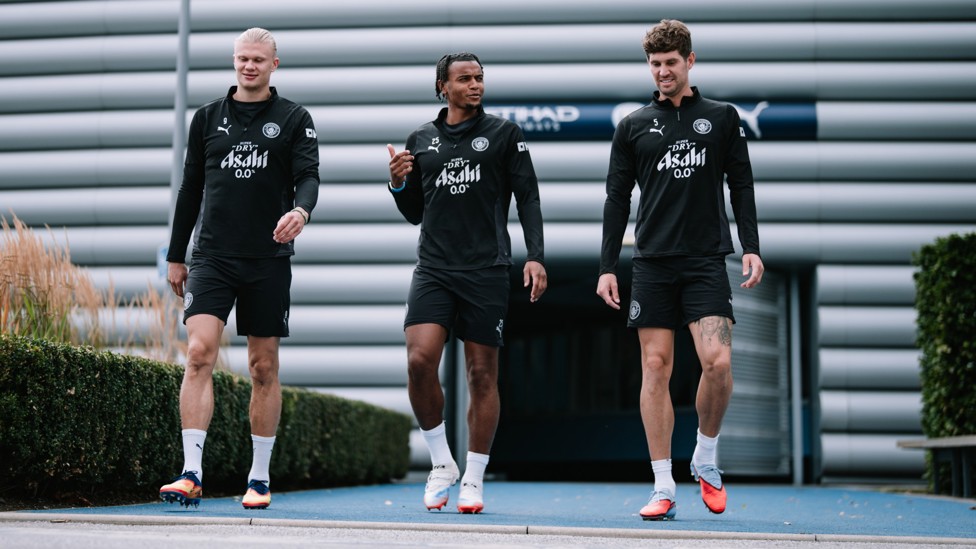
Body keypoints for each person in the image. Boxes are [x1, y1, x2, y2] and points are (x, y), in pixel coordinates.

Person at [596, 19, 764, 521]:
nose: (663, 71)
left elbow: (742, 185)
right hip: (651, 264)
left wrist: (750, 246)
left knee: (718, 363)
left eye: (671, 62)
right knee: (655, 368)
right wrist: (608, 266)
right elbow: (615, 199)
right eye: (655, 64)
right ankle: (663, 483)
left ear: (690, 61)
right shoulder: (632, 126)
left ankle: (706, 460)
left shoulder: (722, 117)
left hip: (706, 260)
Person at [159, 27, 319, 510]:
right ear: (234, 62)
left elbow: (308, 176)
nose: (249, 66)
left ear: (275, 64)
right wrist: (175, 253)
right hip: (212, 256)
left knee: (262, 366)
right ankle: (191, 472)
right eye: (242, 58)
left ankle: (259, 477)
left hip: (267, 259)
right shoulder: (207, 117)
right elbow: (190, 189)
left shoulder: (294, 118)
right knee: (199, 353)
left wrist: (301, 211)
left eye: (258, 60)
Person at [386, 52, 547, 514]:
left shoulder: (503, 134)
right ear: (443, 87)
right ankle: (442, 463)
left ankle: (473, 477)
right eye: (465, 79)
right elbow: (415, 212)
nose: (475, 85)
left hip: (486, 270)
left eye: (479, 78)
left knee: (481, 374)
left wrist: (535, 256)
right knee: (419, 361)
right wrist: (398, 183)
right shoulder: (420, 139)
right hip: (434, 268)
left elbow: (528, 196)